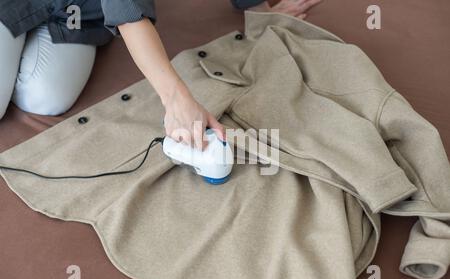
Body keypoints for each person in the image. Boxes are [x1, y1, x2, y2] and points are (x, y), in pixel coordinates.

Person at [0, 0, 321, 149]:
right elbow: (127, 13)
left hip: (78, 14)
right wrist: (177, 99)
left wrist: (256, 6)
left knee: (44, 98)